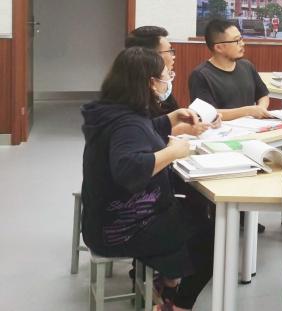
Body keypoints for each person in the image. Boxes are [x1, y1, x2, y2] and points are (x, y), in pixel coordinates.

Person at [81, 47, 213, 311]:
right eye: (166, 77)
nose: (168, 82)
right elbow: (129, 169)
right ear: (151, 83)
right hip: (120, 229)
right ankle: (178, 304)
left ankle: (167, 280)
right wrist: (173, 152)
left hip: (104, 219)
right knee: (211, 237)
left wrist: (171, 119)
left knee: (193, 212)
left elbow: (144, 130)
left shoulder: (113, 110)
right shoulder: (127, 123)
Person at [188, 20, 272, 121]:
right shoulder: (200, 75)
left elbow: (263, 95)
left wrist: (261, 109)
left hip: (252, 126)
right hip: (221, 129)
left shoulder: (247, 66)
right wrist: (248, 111)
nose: (242, 44)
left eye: (241, 38)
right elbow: (207, 113)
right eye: (236, 41)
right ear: (219, 47)